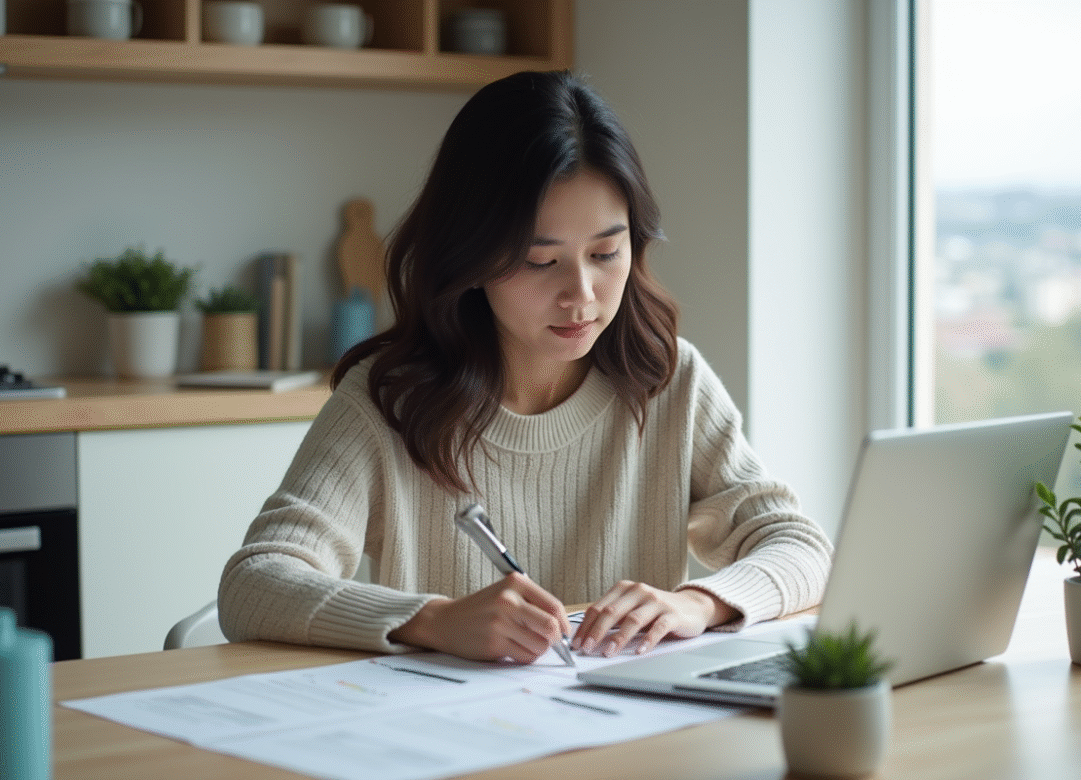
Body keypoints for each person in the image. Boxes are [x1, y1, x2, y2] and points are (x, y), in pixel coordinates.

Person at [219, 70, 833, 664]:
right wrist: (432, 621)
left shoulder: (666, 378)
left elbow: (802, 546)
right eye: (540, 262)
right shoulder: (390, 400)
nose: (581, 296)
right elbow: (255, 583)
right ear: (471, 254)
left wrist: (697, 603)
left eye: (606, 253)